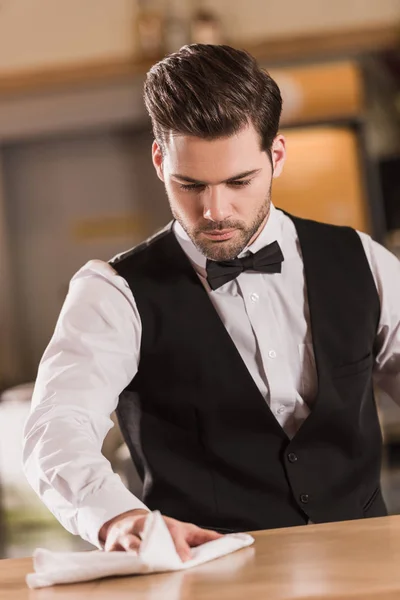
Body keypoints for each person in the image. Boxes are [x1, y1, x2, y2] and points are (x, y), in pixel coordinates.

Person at [23, 44, 400, 561]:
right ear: (160, 161)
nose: (215, 209)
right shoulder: (114, 292)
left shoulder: (364, 261)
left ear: (278, 157)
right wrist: (119, 517)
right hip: (209, 578)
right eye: (190, 184)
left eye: (239, 182)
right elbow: (56, 424)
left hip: (368, 567)